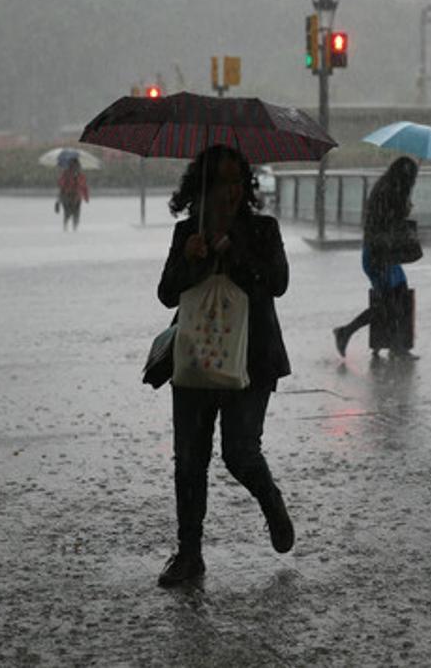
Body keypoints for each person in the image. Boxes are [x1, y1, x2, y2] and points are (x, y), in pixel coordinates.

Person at [155, 144, 294, 588]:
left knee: (239, 452)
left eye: (237, 181)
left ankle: (270, 500)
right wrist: (191, 260)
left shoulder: (262, 231)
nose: (230, 191)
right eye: (221, 182)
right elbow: (166, 293)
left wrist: (236, 255)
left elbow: (278, 283)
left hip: (252, 359)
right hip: (196, 356)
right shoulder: (186, 234)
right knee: (189, 460)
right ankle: (189, 554)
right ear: (204, 186)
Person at [332, 156, 420, 360]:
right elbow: (388, 224)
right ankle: (347, 332)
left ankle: (392, 344)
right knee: (387, 304)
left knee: (395, 298)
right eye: (413, 178)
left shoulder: (386, 189)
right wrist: (403, 209)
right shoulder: (391, 194)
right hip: (379, 256)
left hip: (381, 255)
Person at [55, 157, 89, 231]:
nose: (76, 167)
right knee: (69, 212)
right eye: (74, 165)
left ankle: (73, 227)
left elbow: (84, 186)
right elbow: (61, 184)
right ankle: (68, 227)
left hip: (75, 197)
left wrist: (86, 197)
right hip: (68, 196)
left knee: (74, 213)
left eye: (76, 166)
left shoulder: (79, 175)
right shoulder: (66, 174)